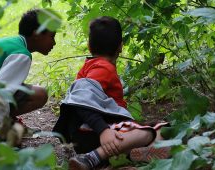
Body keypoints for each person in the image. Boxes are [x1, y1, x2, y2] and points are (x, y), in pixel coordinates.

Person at [52, 16, 169, 170]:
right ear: (120, 46)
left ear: (88, 45)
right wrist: (103, 130)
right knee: (148, 133)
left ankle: (131, 155)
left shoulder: (91, 66)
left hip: (88, 134)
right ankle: (93, 158)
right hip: (93, 132)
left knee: (162, 128)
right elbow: (83, 100)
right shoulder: (102, 68)